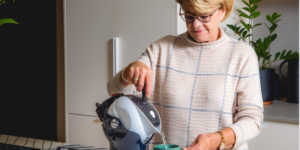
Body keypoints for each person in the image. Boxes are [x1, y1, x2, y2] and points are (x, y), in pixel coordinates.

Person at [107, 0, 263, 149]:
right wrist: (128, 72)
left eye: (204, 16)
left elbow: (252, 120)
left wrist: (215, 140)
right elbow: (115, 91)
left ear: (222, 11)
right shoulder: (163, 48)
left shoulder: (242, 55)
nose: (195, 24)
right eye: (189, 16)